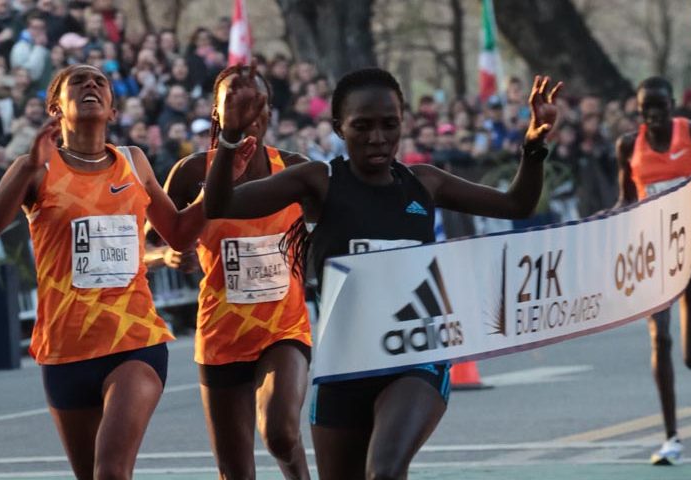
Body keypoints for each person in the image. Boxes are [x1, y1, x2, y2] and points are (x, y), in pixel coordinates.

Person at [204, 67, 560, 480]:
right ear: (339, 127)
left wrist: (533, 143)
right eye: (362, 126)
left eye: (389, 125)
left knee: (386, 471)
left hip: (415, 360)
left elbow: (517, 204)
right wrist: (229, 137)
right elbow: (220, 204)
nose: (377, 138)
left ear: (403, 123)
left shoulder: (423, 183)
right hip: (346, 366)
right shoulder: (319, 181)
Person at [0, 64, 204, 479]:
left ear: (112, 110)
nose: (91, 84)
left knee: (111, 472)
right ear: (56, 108)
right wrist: (23, 167)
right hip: (65, 348)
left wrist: (215, 189)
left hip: (134, 339)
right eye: (79, 81)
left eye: (101, 82)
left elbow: (179, 233)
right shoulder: (37, 168)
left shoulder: (134, 162)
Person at [161, 64, 311, 479]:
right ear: (216, 113)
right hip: (221, 334)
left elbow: (338, 227)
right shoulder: (193, 172)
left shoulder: (298, 169)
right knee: (235, 472)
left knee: (281, 431)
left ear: (269, 112)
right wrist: (169, 257)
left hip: (284, 328)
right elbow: (150, 241)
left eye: (255, 102)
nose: (246, 111)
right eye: (233, 101)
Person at [614, 76, 691, 465]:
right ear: (639, 111)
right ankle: (671, 437)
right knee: (661, 340)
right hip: (653, 254)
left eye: (660, 107)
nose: (654, 116)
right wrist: (607, 223)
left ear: (672, 105)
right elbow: (625, 198)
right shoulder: (628, 146)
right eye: (646, 110)